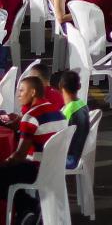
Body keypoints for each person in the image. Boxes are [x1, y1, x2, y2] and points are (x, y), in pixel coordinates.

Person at [0, 76, 67, 222]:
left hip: (38, 170)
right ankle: (29, 210)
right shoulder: (57, 112)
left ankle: (28, 209)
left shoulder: (30, 117)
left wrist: (4, 162)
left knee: (3, 175)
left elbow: (19, 155)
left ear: (33, 92)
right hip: (55, 168)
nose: (18, 94)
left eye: (22, 90)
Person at [57, 70, 90, 169]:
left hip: (69, 158)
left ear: (60, 87)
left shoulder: (68, 111)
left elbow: (59, 138)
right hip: (79, 154)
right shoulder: (83, 105)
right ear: (79, 86)